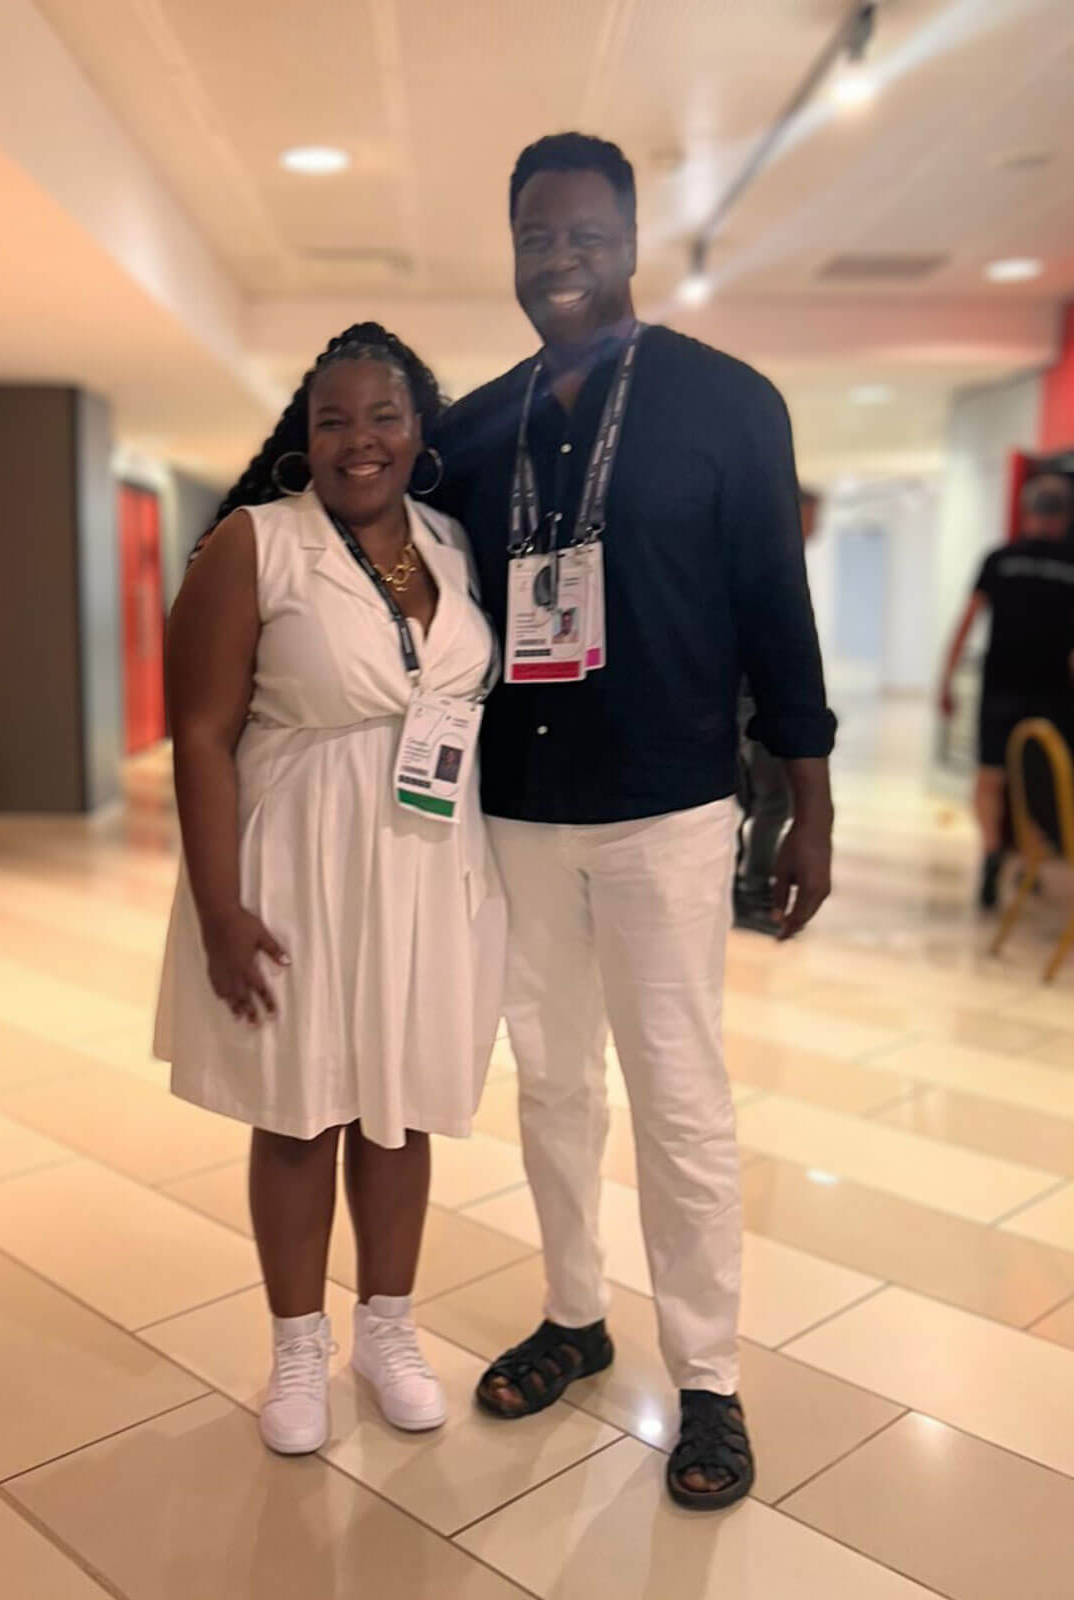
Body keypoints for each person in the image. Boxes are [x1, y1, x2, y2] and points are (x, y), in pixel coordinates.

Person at [436, 133, 835, 1512]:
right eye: (536, 236)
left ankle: (709, 1377)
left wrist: (809, 802)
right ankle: (575, 1314)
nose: (560, 259)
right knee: (550, 1081)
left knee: (678, 1094)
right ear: (514, 247)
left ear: (631, 239)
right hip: (518, 809)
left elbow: (776, 608)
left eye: (585, 234)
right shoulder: (473, 430)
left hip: (668, 805)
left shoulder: (727, 402)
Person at [154, 323, 506, 1457]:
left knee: (402, 1105)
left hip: (427, 861)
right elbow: (201, 736)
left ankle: (389, 1333)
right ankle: (298, 1347)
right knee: (301, 1111)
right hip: (299, 860)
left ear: (419, 431)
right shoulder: (256, 543)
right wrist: (219, 909)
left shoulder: (451, 544)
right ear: (303, 439)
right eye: (333, 420)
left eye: (383, 417)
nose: (361, 440)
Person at [939, 472, 1074, 908]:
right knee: (1040, 780)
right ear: (1065, 517)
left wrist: (946, 679)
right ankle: (1029, 859)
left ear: (1025, 511)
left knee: (990, 776)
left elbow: (967, 620)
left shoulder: (1000, 558)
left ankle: (993, 854)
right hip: (1053, 691)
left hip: (1001, 684)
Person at [734, 486, 821, 935]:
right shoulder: (765, 560)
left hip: (750, 700)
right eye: (812, 516)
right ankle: (753, 892)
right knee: (771, 800)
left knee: (756, 798)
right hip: (752, 700)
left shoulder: (766, 556)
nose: (815, 527)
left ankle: (746, 886)